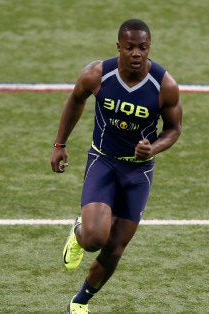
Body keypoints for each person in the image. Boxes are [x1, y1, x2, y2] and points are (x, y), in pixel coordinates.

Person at [49, 19, 183, 313]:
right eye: (131, 47)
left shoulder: (164, 85)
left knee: (115, 249)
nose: (137, 53)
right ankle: (79, 232)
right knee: (95, 238)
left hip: (138, 172)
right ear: (119, 47)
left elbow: (174, 129)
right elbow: (75, 100)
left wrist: (154, 148)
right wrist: (60, 144)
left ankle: (80, 302)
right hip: (103, 161)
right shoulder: (97, 74)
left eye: (143, 48)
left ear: (149, 48)